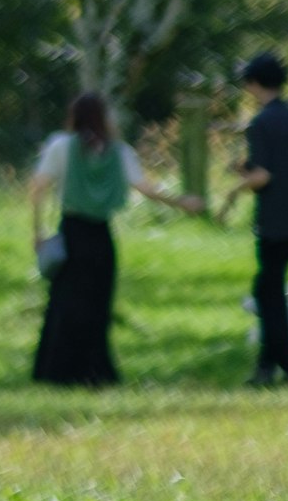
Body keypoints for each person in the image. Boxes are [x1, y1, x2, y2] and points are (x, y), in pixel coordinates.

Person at [26, 91, 202, 388]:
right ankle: (95, 370)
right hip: (101, 235)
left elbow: (38, 187)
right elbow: (145, 188)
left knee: (65, 302)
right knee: (97, 303)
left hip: (72, 230)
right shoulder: (119, 153)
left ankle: (57, 370)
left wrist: (38, 231)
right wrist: (181, 202)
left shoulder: (61, 146)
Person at [230, 50, 288, 385]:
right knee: (269, 287)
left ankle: (279, 367)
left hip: (274, 220)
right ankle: (273, 365)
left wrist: (234, 188)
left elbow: (263, 177)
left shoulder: (261, 122)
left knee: (268, 291)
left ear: (253, 83)